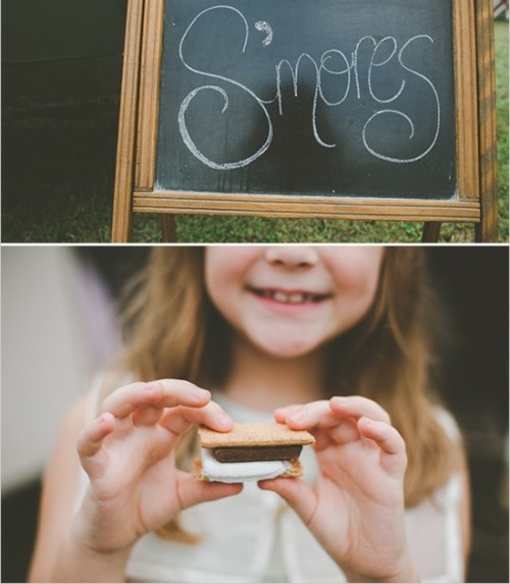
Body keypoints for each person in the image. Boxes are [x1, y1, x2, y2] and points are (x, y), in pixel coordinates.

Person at [29, 246, 470, 583]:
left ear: (392, 257)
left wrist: (385, 577)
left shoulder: (432, 451)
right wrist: (97, 554)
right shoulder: (105, 434)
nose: (292, 254)